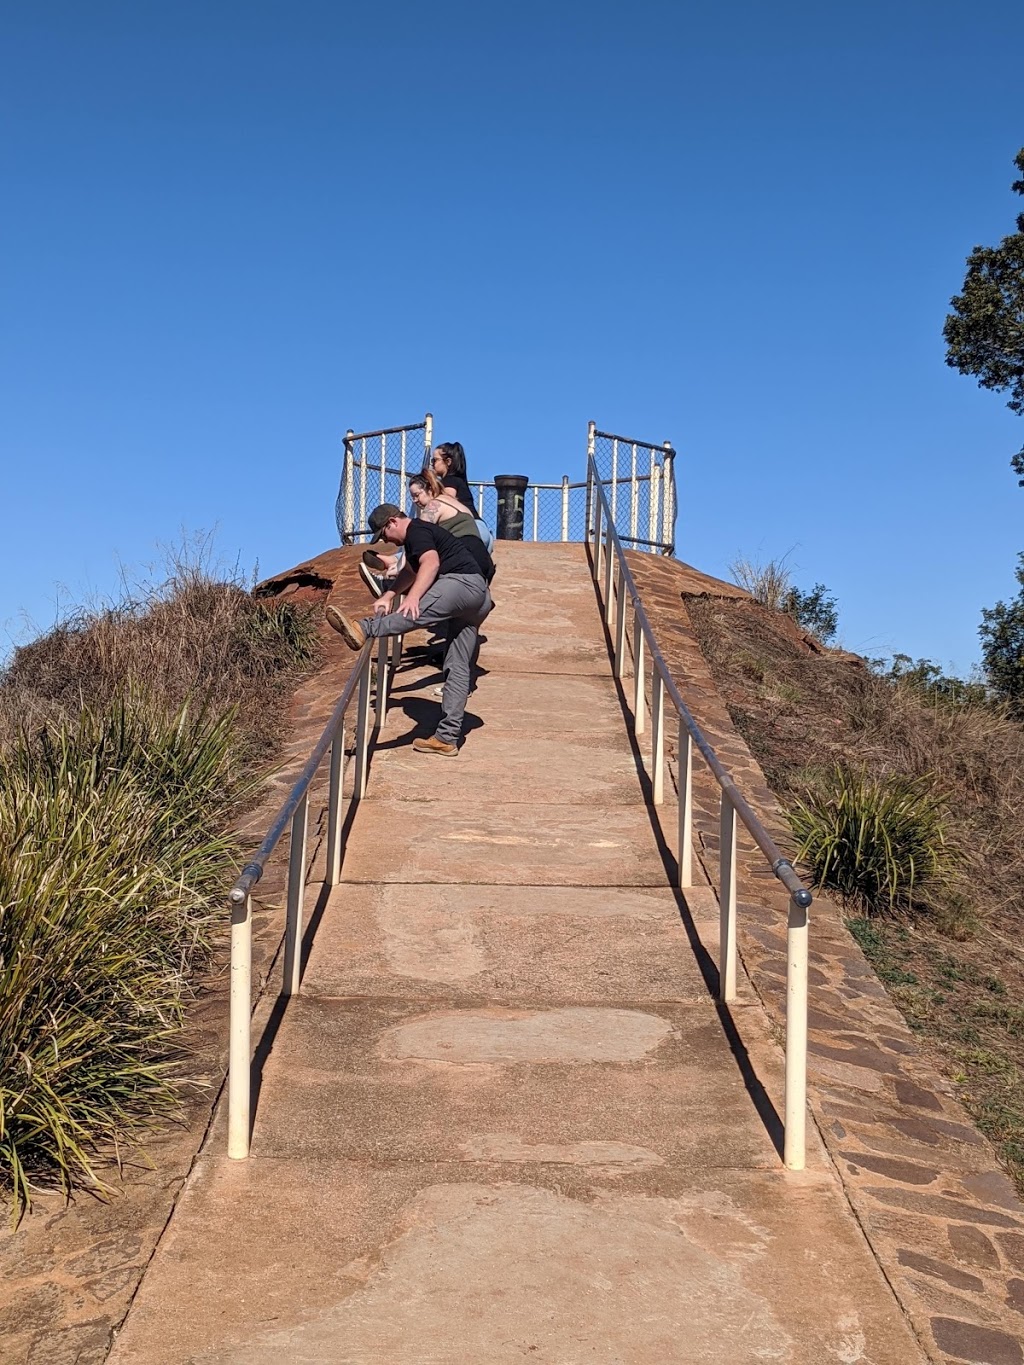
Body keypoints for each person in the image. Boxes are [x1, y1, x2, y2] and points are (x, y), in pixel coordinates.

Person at [326, 503, 493, 756]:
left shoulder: (417, 530)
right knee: (457, 666)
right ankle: (447, 738)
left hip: (460, 584)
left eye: (384, 534)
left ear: (393, 522)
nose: (386, 541)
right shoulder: (419, 538)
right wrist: (389, 594)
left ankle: (363, 628)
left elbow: (431, 562)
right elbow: (411, 571)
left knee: (408, 614)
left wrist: (413, 598)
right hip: (479, 596)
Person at [431, 442, 494, 550]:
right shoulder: (459, 481)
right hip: (482, 529)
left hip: (470, 530)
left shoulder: (449, 481)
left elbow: (446, 503)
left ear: (448, 462)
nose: (432, 464)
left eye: (435, 460)